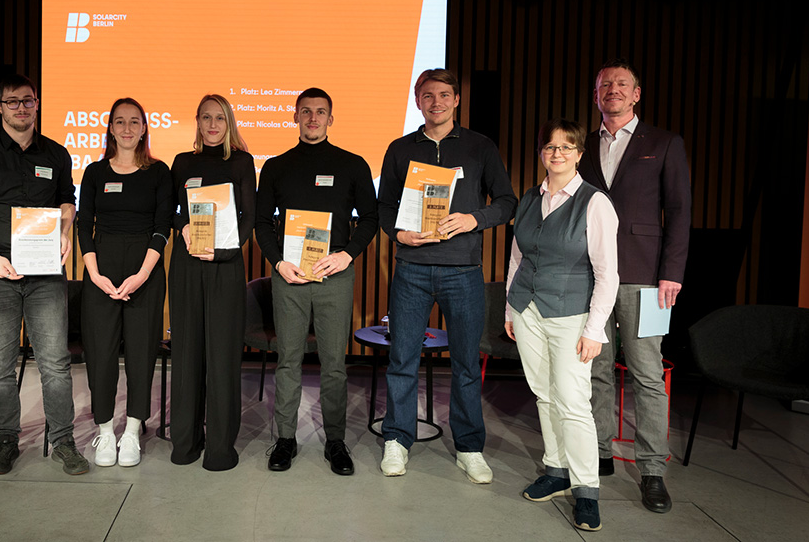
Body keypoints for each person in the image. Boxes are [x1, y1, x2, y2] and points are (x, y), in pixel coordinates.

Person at [377, 68, 517, 481]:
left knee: (466, 365)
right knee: (402, 359)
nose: (435, 102)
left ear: (457, 100)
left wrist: (474, 219)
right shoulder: (400, 149)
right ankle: (398, 440)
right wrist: (400, 232)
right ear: (417, 100)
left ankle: (469, 447)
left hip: (463, 270)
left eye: (443, 95)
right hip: (412, 270)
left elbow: (506, 201)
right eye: (427, 95)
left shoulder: (480, 147)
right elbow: (384, 207)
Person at [0, 74, 89, 476]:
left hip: (45, 274)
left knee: (55, 363)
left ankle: (63, 441)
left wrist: (65, 230)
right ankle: (6, 439)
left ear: (37, 103)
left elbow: (67, 199)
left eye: (28, 101)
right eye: (12, 102)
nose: (21, 108)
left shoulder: (56, 153)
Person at [580, 59, 691, 513]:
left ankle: (651, 471)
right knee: (596, 369)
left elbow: (680, 212)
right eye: (605, 85)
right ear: (596, 95)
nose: (613, 91)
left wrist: (674, 271)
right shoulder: (583, 145)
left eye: (622, 85)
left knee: (648, 375)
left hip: (648, 278)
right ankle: (600, 453)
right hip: (590, 277)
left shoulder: (664, 143)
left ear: (637, 94)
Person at [255, 88, 377, 475]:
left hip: (334, 274)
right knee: (288, 361)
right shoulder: (276, 166)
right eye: (305, 112)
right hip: (289, 275)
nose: (312, 118)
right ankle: (286, 439)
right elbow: (261, 222)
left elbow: (371, 219)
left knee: (334, 364)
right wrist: (277, 263)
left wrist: (346, 255)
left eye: (320, 112)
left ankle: (336, 441)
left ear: (330, 118)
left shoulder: (352, 164)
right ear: (294, 116)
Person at [504, 118, 619, 531]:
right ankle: (556, 469)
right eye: (550, 147)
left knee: (573, 403)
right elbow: (518, 258)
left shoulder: (595, 203)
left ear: (579, 154)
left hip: (572, 315)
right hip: (527, 310)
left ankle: (586, 488)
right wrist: (508, 309)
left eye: (566, 147)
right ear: (541, 153)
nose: (557, 154)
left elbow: (609, 274)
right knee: (544, 396)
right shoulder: (529, 199)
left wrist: (594, 330)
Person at [78, 98, 173, 468]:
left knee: (140, 352)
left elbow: (162, 227)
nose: (128, 128)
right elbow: (85, 225)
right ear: (111, 128)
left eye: (135, 122)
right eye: (120, 122)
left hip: (145, 271)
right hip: (100, 270)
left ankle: (132, 429)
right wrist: (94, 273)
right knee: (100, 355)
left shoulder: (159, 172)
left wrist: (143, 274)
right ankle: (105, 429)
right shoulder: (94, 172)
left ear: (145, 128)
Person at [168, 94, 256, 471]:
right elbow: (169, 210)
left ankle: (220, 448)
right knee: (186, 354)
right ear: (198, 122)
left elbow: (249, 218)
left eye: (220, 118)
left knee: (221, 358)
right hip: (187, 264)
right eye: (206, 118)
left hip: (225, 266)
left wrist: (222, 253)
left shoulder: (241, 162)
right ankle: (185, 444)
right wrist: (183, 226)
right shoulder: (182, 163)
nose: (213, 125)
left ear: (229, 122)